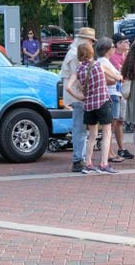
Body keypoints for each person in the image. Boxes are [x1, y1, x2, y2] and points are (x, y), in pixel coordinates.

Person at [65, 42, 117, 174]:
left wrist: (79, 96)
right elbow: (117, 76)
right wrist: (120, 76)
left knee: (92, 136)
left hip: (88, 105)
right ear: (91, 52)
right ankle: (103, 164)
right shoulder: (100, 65)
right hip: (102, 102)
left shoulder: (79, 70)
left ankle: (88, 163)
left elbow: (68, 86)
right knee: (106, 133)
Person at [59, 27, 97, 173]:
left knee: (80, 128)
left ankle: (79, 158)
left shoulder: (73, 52)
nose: (92, 44)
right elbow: (81, 77)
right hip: (77, 95)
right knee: (80, 128)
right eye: (91, 41)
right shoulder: (75, 54)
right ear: (85, 40)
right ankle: (78, 159)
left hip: (76, 95)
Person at [94, 38, 123, 163]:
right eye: (112, 46)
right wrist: (119, 78)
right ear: (106, 49)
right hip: (111, 95)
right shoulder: (103, 62)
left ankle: (110, 152)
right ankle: (109, 153)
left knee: (111, 126)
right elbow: (106, 79)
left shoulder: (105, 61)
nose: (114, 49)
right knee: (110, 126)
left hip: (113, 94)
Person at [109, 32, 134, 159]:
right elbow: (119, 75)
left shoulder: (125, 56)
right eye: (125, 41)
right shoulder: (112, 57)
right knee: (112, 123)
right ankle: (109, 151)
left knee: (119, 121)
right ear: (117, 44)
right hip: (115, 92)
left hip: (122, 92)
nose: (128, 43)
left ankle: (120, 148)